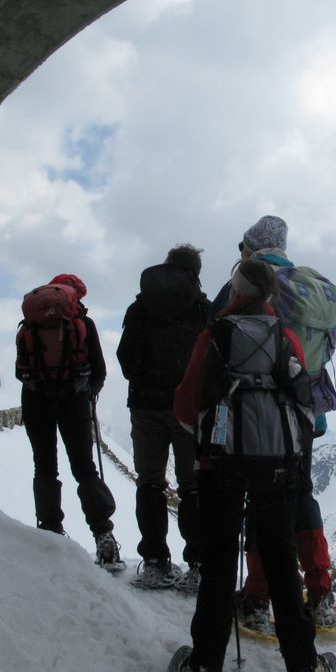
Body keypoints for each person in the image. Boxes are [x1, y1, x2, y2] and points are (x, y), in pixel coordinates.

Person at [170, 259, 336, 672]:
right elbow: (302, 400)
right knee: (282, 560)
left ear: (234, 291)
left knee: (221, 560)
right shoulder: (284, 336)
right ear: (270, 297)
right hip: (279, 467)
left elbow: (186, 407)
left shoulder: (215, 336)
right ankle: (305, 667)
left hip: (221, 465)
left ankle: (204, 668)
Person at [209, 216, 336, 629]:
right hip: (307, 413)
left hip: (260, 420)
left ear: (249, 247)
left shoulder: (247, 283)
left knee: (261, 502)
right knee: (301, 496)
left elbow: (215, 341)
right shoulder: (310, 289)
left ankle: (257, 598)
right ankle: (320, 594)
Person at [116, 244, 208, 592]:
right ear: (194, 272)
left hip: (144, 405)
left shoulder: (140, 305)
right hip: (187, 409)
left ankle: (155, 561)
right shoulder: (201, 307)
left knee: (150, 481)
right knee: (193, 486)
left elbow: (126, 357)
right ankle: (198, 564)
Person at [16, 273, 122, 570]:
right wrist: (87, 392)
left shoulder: (30, 325)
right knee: (85, 468)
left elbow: (19, 371)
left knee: (45, 468)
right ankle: (104, 535)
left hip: (37, 404)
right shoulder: (82, 324)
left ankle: (50, 531)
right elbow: (98, 369)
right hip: (73, 403)